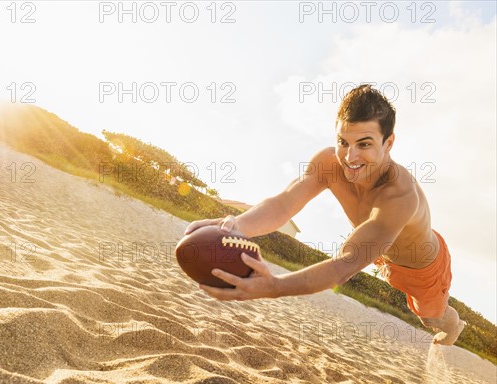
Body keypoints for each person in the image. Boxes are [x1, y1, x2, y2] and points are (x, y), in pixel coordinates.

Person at [184, 84, 466, 346]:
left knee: (431, 318)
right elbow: (284, 203)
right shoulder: (329, 163)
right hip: (377, 245)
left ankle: (455, 326)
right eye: (343, 141)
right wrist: (235, 226)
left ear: (388, 143)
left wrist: (274, 286)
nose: (350, 157)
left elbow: (344, 265)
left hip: (422, 266)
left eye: (364, 144)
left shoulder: (399, 196)